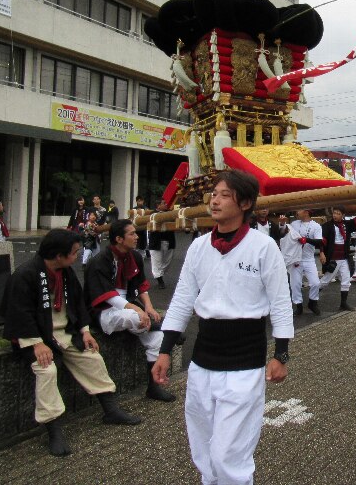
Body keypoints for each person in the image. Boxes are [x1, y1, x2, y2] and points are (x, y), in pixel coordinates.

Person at [152, 170, 293, 485]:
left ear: (245, 204)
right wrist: (164, 350)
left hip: (245, 362)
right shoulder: (199, 247)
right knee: (203, 448)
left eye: (224, 195)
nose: (214, 201)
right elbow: (182, 300)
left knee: (229, 455)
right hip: (202, 360)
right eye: (213, 194)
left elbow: (281, 303)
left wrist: (281, 354)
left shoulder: (263, 247)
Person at [2, 229, 140, 456]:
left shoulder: (66, 273)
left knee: (92, 357)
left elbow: (77, 304)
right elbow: (19, 313)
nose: (77, 256)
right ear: (59, 255)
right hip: (36, 338)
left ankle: (110, 409)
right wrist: (36, 343)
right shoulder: (25, 275)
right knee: (46, 370)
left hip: (65, 332)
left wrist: (85, 331)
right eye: (74, 252)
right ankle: (53, 430)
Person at [84, 219, 175, 402]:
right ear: (119, 239)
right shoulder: (99, 261)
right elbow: (106, 295)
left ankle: (153, 388)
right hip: (105, 311)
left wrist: (148, 307)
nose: (136, 237)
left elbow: (141, 285)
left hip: (128, 307)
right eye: (132, 234)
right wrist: (136, 309)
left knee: (157, 339)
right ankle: (162, 326)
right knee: (135, 317)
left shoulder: (135, 257)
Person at [319, 206, 356, 311]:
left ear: (343, 215)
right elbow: (322, 241)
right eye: (334, 213)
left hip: (343, 258)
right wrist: (321, 252)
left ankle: (343, 303)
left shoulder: (346, 225)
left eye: (338, 213)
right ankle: (312, 299)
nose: (335, 215)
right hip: (333, 258)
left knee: (346, 280)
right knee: (325, 281)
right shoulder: (327, 226)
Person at [287, 209, 324, 315]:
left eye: (299, 210)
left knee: (315, 283)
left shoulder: (316, 226)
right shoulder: (294, 224)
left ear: (306, 212)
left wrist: (306, 240)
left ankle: (312, 303)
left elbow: (319, 241)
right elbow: (286, 235)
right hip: (295, 259)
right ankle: (298, 306)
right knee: (295, 284)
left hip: (309, 259)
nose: (297, 212)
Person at [148, 201, 176, 289]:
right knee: (157, 262)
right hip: (156, 242)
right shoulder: (152, 215)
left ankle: (160, 273)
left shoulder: (170, 214)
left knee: (168, 261)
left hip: (169, 241)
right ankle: (160, 279)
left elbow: (176, 223)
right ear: (158, 205)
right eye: (164, 203)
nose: (166, 204)